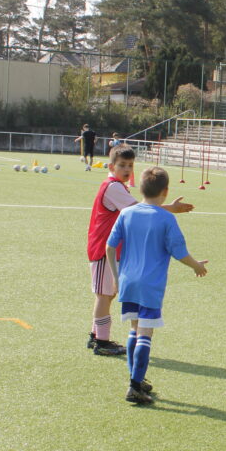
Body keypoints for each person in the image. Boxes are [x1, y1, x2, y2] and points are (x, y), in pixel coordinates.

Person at [106, 166, 207, 404]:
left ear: (139, 188)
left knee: (134, 329)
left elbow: (110, 247)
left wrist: (116, 275)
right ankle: (134, 387)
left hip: (128, 280)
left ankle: (136, 379)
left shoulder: (127, 213)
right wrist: (196, 266)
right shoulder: (166, 218)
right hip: (150, 284)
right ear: (165, 191)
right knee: (145, 333)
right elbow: (179, 252)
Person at [85, 145, 194, 356]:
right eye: (122, 165)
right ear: (111, 166)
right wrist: (171, 208)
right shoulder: (113, 187)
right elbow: (140, 209)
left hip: (112, 250)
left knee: (106, 293)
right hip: (102, 250)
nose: (127, 169)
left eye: (130, 165)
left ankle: (96, 335)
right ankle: (101, 341)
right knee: (103, 295)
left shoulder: (117, 186)